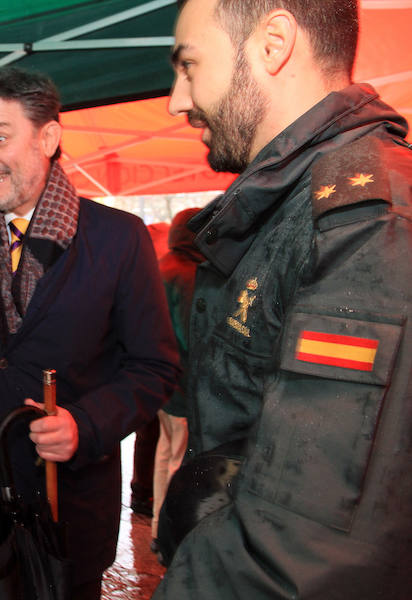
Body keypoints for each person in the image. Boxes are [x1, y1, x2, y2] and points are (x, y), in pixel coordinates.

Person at [0, 66, 180, 599]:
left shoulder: (118, 238)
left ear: (48, 137)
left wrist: (86, 424)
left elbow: (155, 366)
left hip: (67, 505)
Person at [154, 0, 412, 597]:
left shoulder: (367, 225)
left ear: (273, 43)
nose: (177, 100)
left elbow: (304, 551)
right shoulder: (301, 205)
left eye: (189, 65)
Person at [149, 207, 203, 548]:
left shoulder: (161, 266)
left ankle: (156, 526)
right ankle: (169, 532)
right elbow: (187, 336)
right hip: (181, 379)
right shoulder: (187, 273)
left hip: (161, 379)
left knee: (164, 451)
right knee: (179, 459)